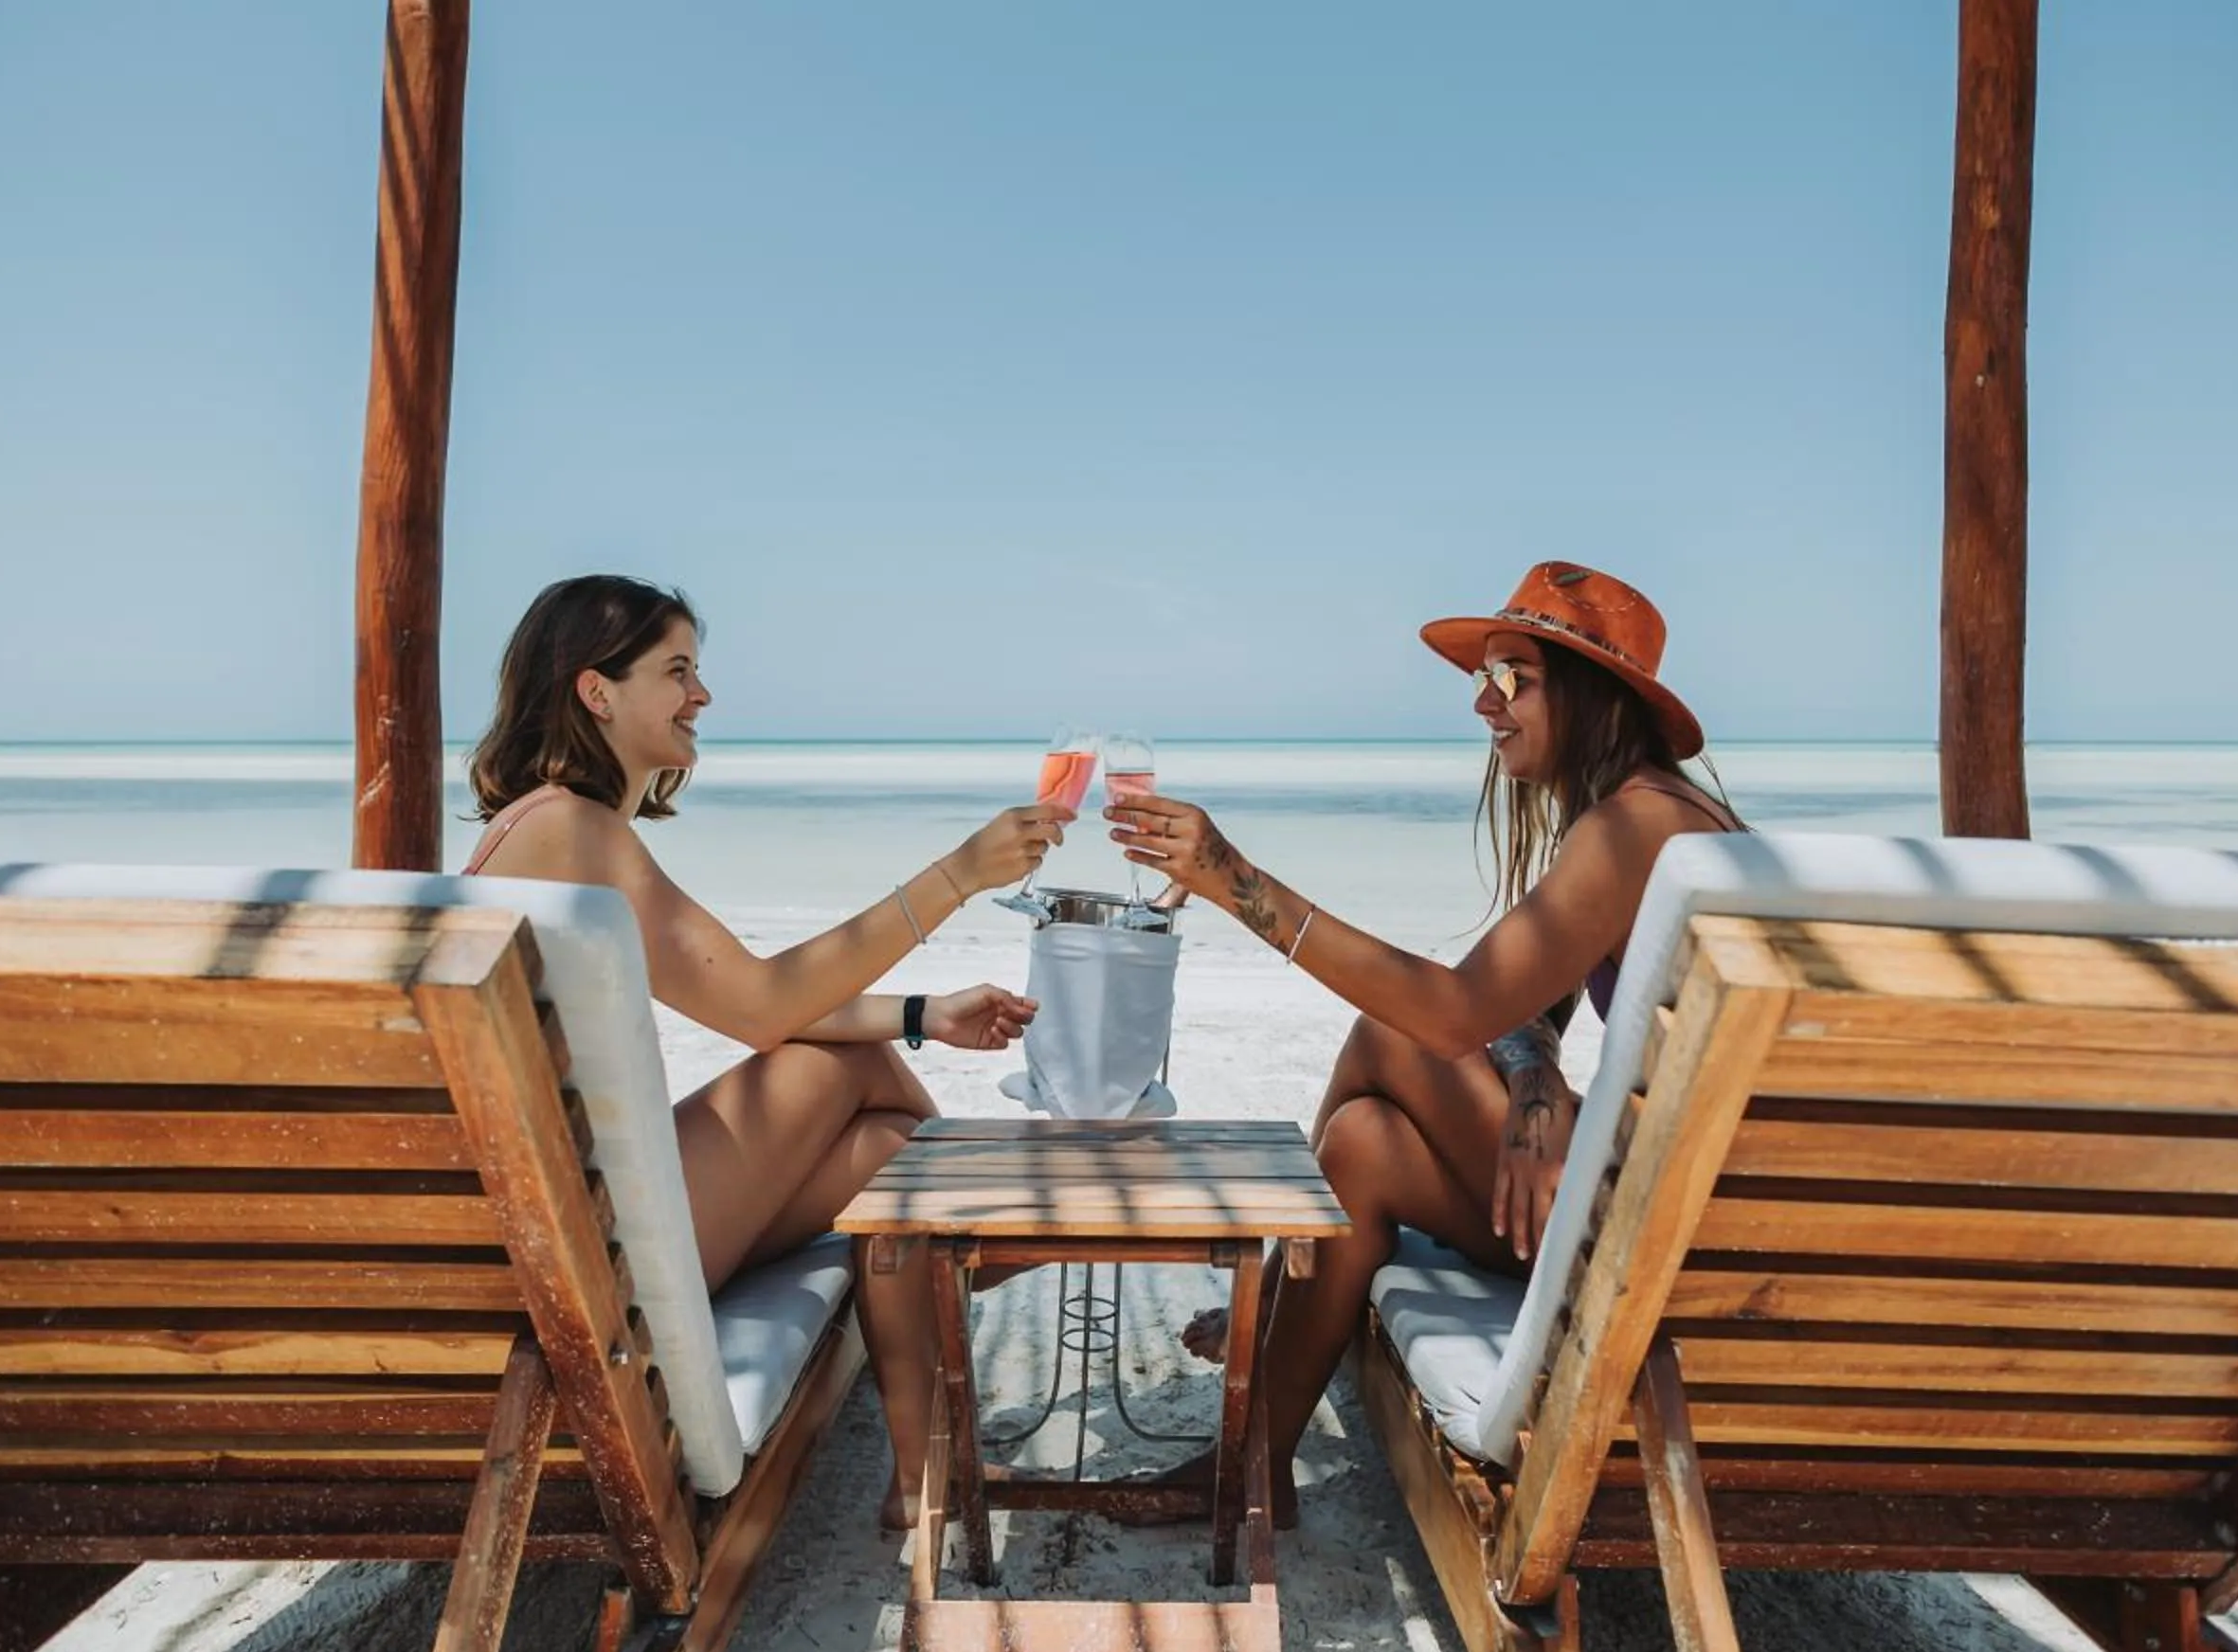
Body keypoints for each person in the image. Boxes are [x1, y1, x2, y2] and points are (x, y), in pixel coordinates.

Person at [1104, 562, 1743, 1519]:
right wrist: (1535, 1085)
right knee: (1363, 1144)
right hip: (1682, 1229)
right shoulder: (1656, 817)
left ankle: (1272, 1300)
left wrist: (1234, 879)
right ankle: (1256, 1467)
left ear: (1595, 694)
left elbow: (1451, 1014)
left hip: (1668, 1264)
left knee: (1389, 1036)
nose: (1486, 701)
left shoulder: (1633, 828)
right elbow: (1528, 1009)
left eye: (1514, 677)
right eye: (1484, 677)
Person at [460, 574, 1072, 1528]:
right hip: (580, 1262)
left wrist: (921, 1013)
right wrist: (957, 876)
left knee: (881, 1156)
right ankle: (979, 1229)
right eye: (677, 671)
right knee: (854, 1078)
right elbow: (760, 1007)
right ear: (596, 691)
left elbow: (750, 1002)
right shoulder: (570, 830)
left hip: (564, 1223)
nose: (701, 695)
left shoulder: (549, 830)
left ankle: (926, 1468)